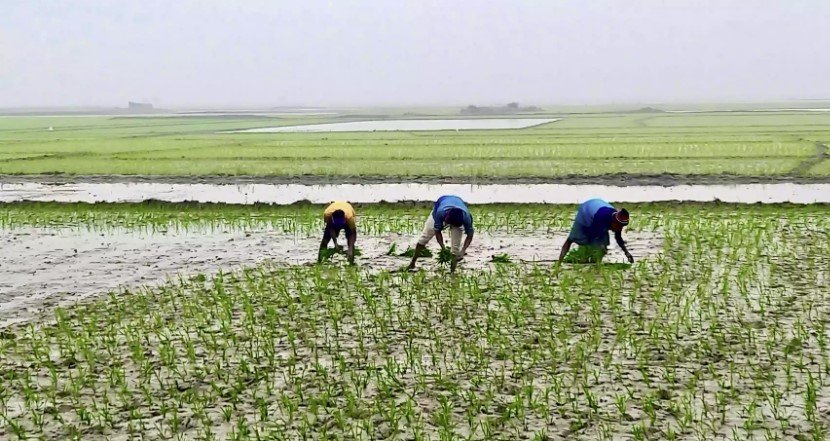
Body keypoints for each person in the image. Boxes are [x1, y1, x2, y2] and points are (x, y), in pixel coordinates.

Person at [408, 195, 474, 273]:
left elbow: (470, 235)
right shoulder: (440, 213)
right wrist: (443, 248)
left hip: (457, 212)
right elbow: (437, 231)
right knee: (424, 238)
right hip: (441, 206)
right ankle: (412, 263)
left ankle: (452, 272)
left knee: (455, 250)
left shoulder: (467, 218)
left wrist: (463, 250)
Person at [558, 198, 633, 263]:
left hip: (597, 207)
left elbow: (618, 238)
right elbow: (593, 235)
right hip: (586, 212)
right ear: (614, 221)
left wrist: (626, 253)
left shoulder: (617, 221)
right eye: (619, 226)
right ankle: (559, 263)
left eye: (622, 227)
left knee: (603, 246)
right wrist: (599, 245)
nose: (620, 229)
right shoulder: (600, 218)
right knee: (572, 239)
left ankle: (596, 265)